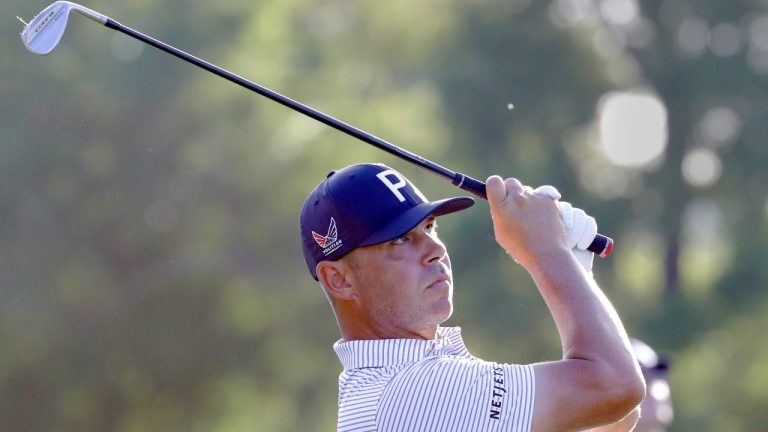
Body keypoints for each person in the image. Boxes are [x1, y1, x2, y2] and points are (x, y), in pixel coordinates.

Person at [300, 163, 645, 431]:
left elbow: (611, 415)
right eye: (400, 240)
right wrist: (546, 253)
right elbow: (616, 387)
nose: (435, 249)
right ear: (340, 279)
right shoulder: (411, 394)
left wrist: (573, 272)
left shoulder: (405, 382)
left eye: (430, 228)